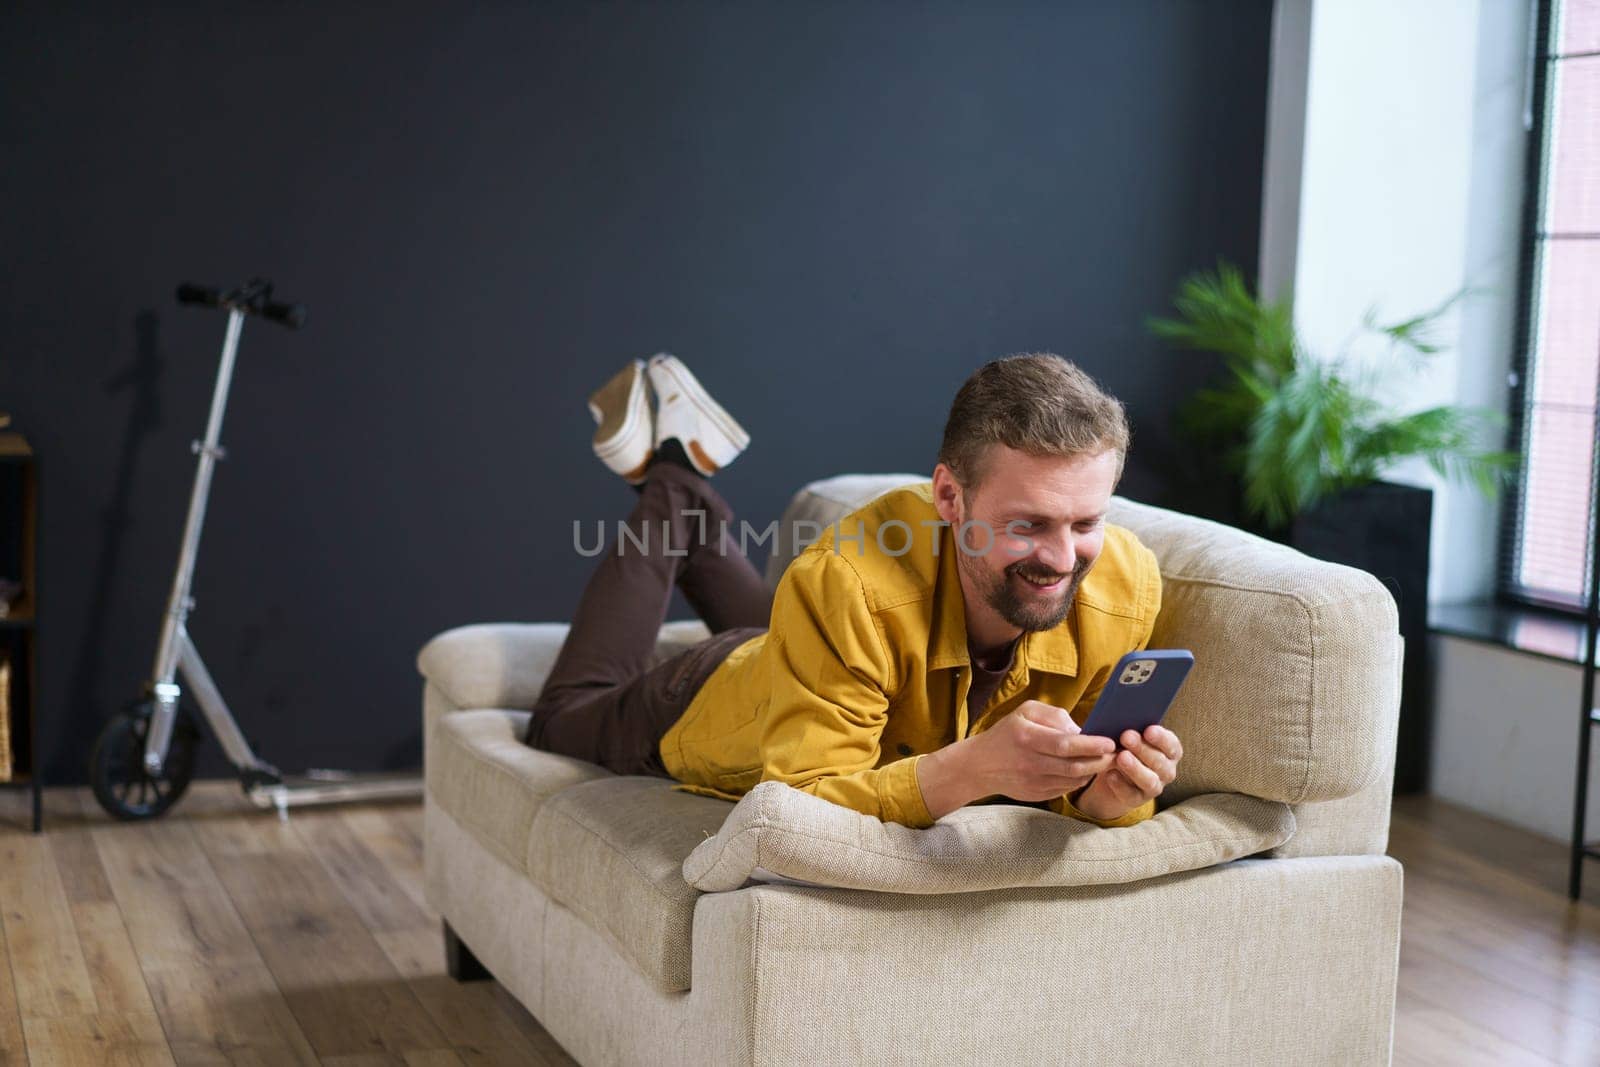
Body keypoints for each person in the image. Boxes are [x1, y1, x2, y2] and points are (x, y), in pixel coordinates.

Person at [525, 351, 1183, 828]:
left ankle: (685, 496)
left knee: (828, 622)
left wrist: (1105, 798)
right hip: (721, 692)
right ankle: (671, 482)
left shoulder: (1125, 588)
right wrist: (973, 767)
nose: (1063, 557)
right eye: (1028, 523)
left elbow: (1084, 788)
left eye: (1086, 521)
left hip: (829, 653)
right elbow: (801, 815)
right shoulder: (848, 585)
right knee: (559, 719)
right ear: (950, 496)